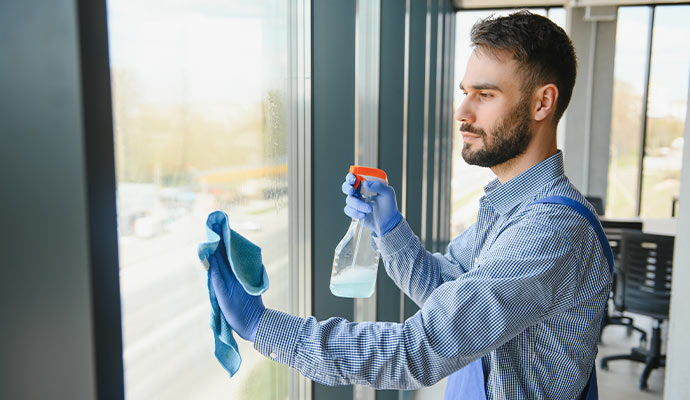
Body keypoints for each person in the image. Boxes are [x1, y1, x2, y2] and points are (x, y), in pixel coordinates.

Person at [208, 11, 612, 399]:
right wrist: (390, 227)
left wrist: (263, 326)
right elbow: (447, 288)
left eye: (485, 95)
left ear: (542, 103)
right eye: (465, 93)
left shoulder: (552, 228)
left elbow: (416, 351)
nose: (462, 112)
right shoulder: (511, 208)